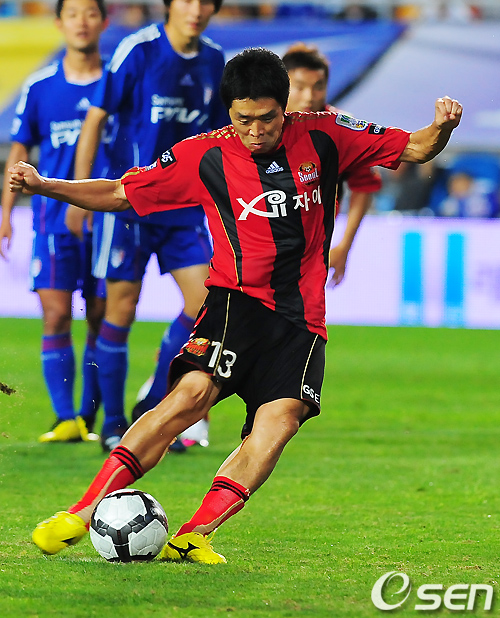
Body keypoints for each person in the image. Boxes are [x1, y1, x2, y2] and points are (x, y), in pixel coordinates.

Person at [10, 48, 462, 564]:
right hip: (235, 302)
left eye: (266, 118)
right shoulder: (204, 154)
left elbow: (418, 147)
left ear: (285, 107)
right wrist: (46, 186)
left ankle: (192, 535)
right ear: (229, 112)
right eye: (243, 119)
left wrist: (442, 127)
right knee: (191, 396)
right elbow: (118, 192)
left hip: (301, 319)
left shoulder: (326, 133)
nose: (255, 130)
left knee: (281, 420)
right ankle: (81, 511)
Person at [65, 0, 227, 452]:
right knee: (120, 310)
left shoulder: (215, 60)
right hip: (129, 203)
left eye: (205, 2)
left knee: (207, 304)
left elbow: (222, 138)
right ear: (169, 6)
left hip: (184, 208)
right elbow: (96, 116)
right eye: (186, 0)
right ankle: (114, 424)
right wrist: (78, 192)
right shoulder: (138, 50)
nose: (196, 10)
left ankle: (152, 404)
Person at [0, 0, 112, 442]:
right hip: (51, 219)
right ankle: (66, 418)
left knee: (101, 317)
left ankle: (89, 415)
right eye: (73, 14)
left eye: (90, 13)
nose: (82, 22)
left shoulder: (117, 80)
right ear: (58, 22)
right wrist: (6, 212)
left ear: (104, 21)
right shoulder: (40, 86)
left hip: (107, 217)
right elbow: (20, 149)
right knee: (56, 314)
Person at [282, 42, 381, 286]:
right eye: (300, 87)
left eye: (318, 87)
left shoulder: (341, 131)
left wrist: (344, 245)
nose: (309, 97)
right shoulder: (258, 125)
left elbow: (364, 187)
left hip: (310, 253)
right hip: (255, 250)